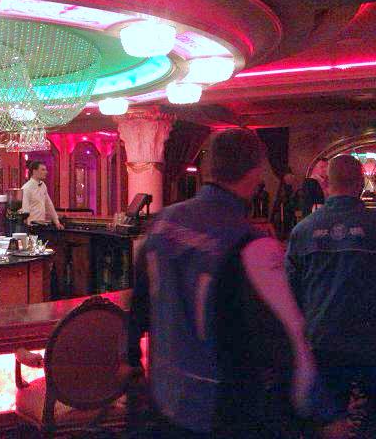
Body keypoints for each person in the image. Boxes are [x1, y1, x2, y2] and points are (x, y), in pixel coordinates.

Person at [133, 128, 318, 438]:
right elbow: (289, 335)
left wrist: (130, 359)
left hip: (165, 393)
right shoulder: (251, 243)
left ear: (208, 168)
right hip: (220, 406)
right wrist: (318, 409)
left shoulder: (163, 221)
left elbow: (140, 302)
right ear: (256, 172)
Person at [285, 155, 376, 438]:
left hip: (322, 341)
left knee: (325, 423)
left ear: (327, 184)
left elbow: (291, 295)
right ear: (361, 184)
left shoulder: (302, 231)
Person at [21, 161, 64, 229]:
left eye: (45, 170)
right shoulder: (26, 188)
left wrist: (57, 222)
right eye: (43, 170)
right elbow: (25, 209)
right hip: (31, 226)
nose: (46, 172)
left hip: (41, 225)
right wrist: (27, 227)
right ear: (34, 171)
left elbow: (49, 204)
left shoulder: (43, 185)